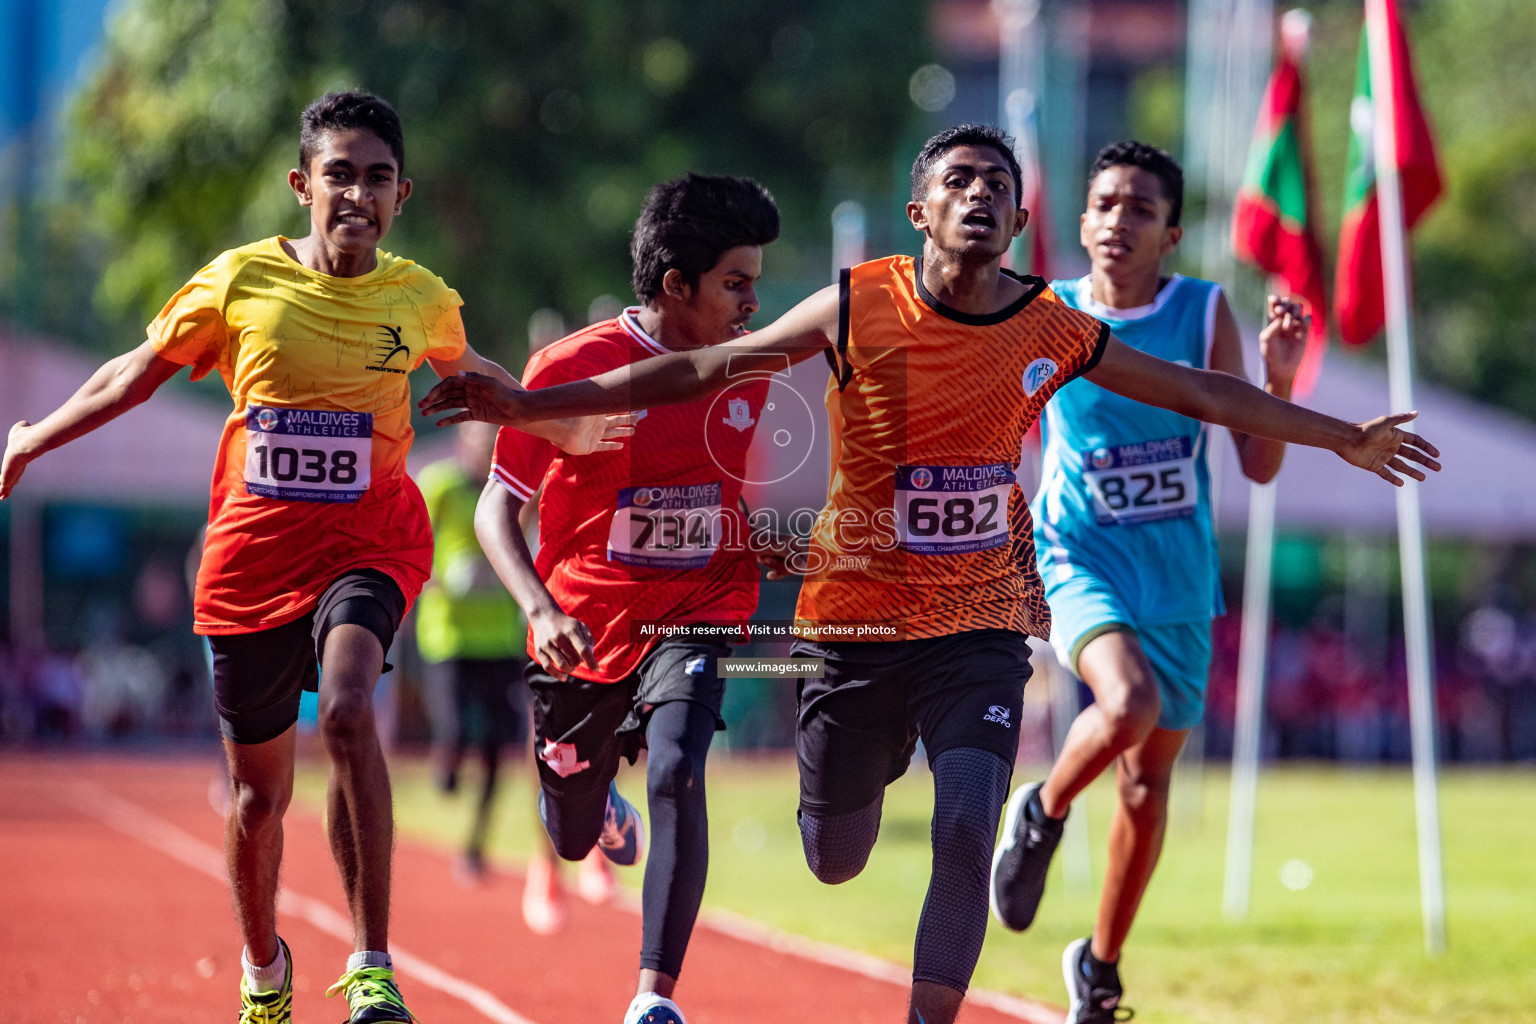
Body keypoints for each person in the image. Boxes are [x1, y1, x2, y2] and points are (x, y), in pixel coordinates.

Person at [419, 124, 1440, 1024]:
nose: (985, 192)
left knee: (964, 822)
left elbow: (1201, 391)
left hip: (983, 621)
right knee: (834, 852)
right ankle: (833, 778)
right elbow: (698, 368)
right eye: (962, 178)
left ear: (1018, 214)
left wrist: (1341, 434)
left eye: (1000, 181)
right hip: (857, 627)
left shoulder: (1049, 324)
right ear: (921, 211)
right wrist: (532, 409)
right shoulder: (862, 303)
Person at [0, 91, 628, 1024]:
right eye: (339, 173)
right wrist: (34, 438)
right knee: (259, 801)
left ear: (401, 194)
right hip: (250, 565)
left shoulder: (417, 297)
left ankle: (373, 968)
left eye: (377, 178)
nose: (357, 195)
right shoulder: (239, 283)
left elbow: (481, 379)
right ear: (303, 184)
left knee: (344, 710)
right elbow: (136, 370)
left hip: (368, 546)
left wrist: (568, 431)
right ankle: (265, 970)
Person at [988, 140, 1308, 1022]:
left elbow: (1260, 464)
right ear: (1081, 221)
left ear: (1171, 234)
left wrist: (1278, 383)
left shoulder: (1204, 314)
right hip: (1079, 556)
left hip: (1179, 578)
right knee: (1123, 706)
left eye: (1139, 209)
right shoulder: (1044, 313)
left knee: (1144, 785)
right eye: (1104, 204)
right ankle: (1042, 814)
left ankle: (1098, 966)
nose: (1117, 222)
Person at [472, 172, 783, 1024]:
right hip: (582, 629)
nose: (755, 301)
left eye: (757, 280)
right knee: (572, 834)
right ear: (676, 285)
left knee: (681, 769)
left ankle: (654, 997)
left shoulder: (753, 361)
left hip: (700, 609)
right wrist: (539, 609)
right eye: (736, 283)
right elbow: (496, 506)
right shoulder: (572, 368)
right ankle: (592, 795)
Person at [416, 421, 615, 928]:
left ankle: (557, 837)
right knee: (469, 735)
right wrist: (439, 577)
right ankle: (553, 860)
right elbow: (412, 541)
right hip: (451, 637)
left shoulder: (541, 482)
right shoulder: (442, 486)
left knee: (509, 747)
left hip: (508, 639)